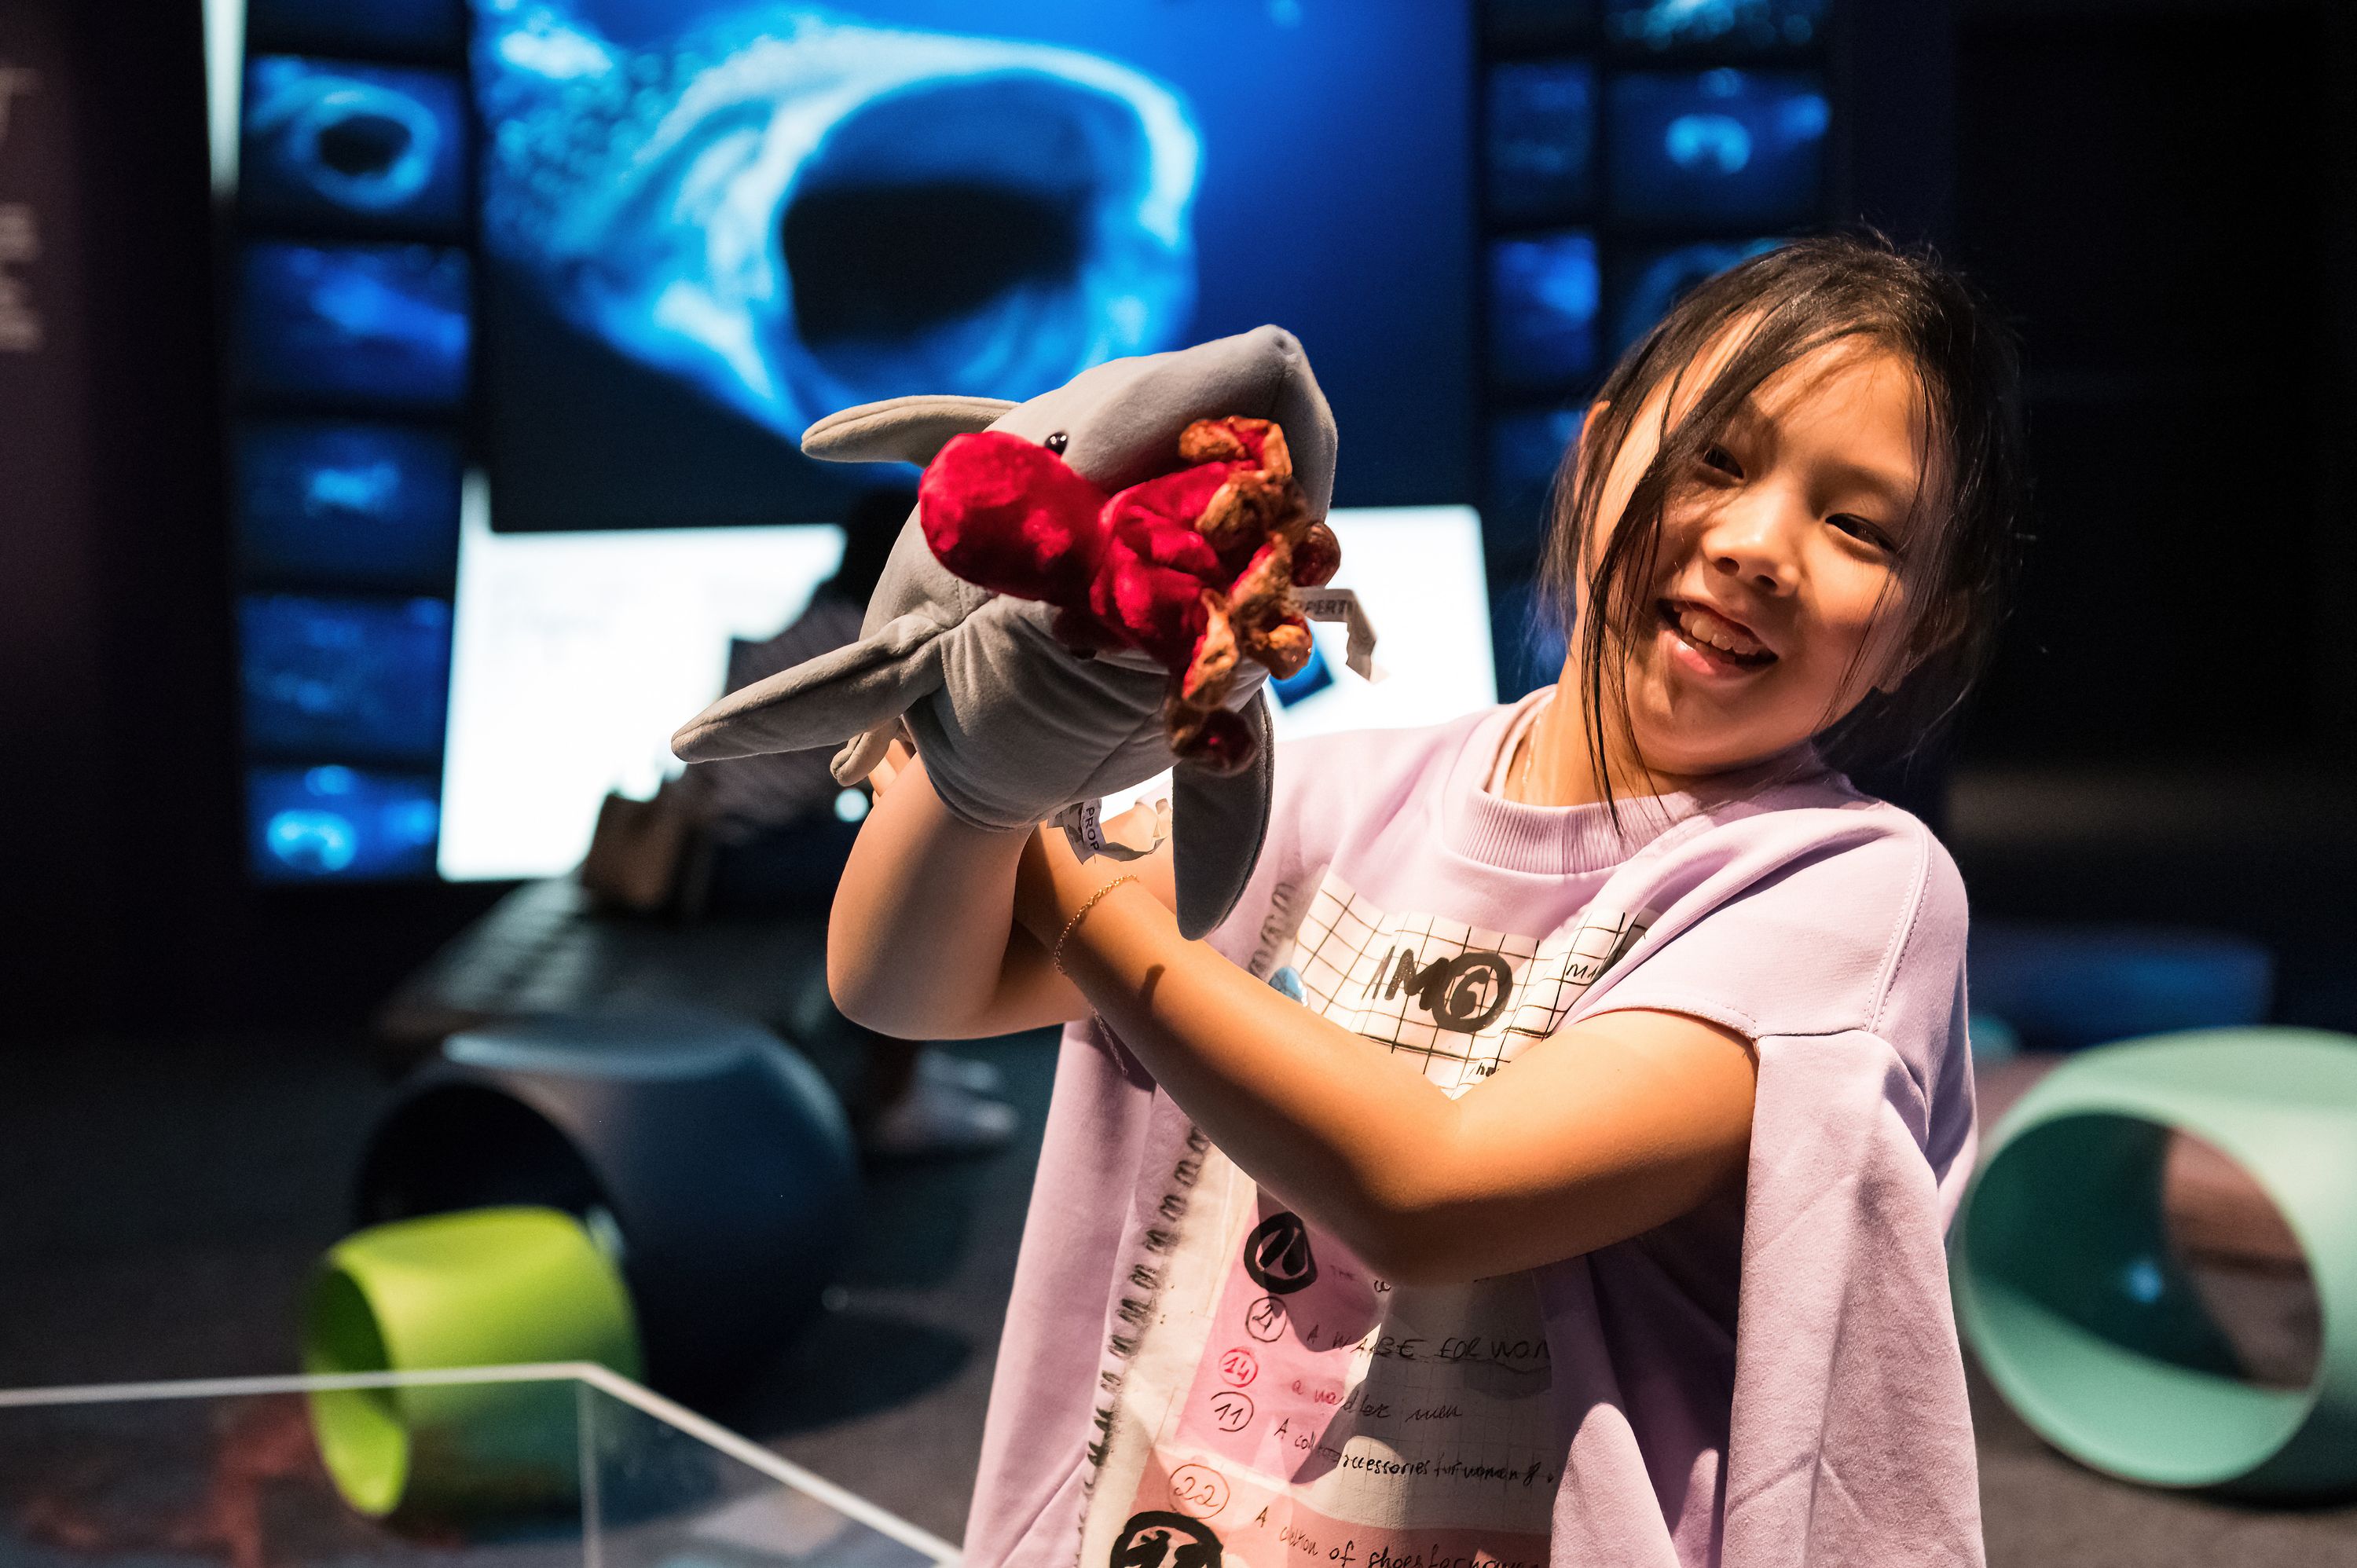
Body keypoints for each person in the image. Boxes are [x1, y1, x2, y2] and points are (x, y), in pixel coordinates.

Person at [830, 236, 2022, 1565]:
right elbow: (906, 982)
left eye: (1858, 526)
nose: (1755, 544)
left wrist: (1058, 873)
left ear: (1925, 617)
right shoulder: (1323, 794)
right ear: (1598, 452)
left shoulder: (1841, 887)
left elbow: (1431, 1192)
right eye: (1717, 460)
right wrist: (995, 746)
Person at [693, 486, 1020, 1158]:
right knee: (928, 885)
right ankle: (896, 1100)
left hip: (730, 842)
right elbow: (917, 755)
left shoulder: (827, 611)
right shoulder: (864, 637)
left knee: (916, 863)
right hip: (743, 852)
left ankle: (911, 1064)